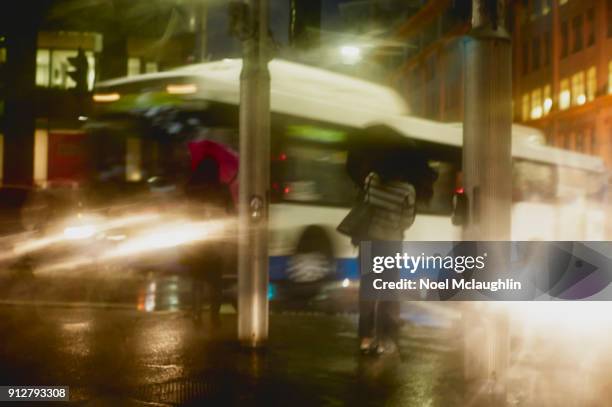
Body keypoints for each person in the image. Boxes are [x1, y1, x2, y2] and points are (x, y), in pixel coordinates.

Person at [342, 151, 436, 355]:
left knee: (367, 290)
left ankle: (365, 338)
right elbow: (407, 221)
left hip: (368, 241)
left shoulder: (372, 179)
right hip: (390, 245)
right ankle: (384, 340)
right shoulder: (407, 189)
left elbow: (364, 204)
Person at [183, 156, 234, 326]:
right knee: (215, 282)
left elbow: (185, 213)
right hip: (215, 243)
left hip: (196, 242)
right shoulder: (222, 189)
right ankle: (214, 316)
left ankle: (196, 315)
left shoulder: (192, 188)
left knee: (197, 280)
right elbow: (231, 213)